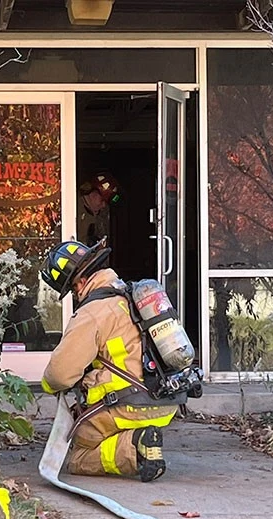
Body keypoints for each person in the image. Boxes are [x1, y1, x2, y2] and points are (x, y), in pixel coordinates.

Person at [38, 239, 178, 483]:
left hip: (130, 405)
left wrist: (48, 385)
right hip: (166, 401)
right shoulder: (131, 296)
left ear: (81, 282)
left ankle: (135, 446)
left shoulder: (93, 312)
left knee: (78, 456)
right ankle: (138, 437)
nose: (76, 295)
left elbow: (61, 374)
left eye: (73, 289)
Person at [77, 171, 120, 247]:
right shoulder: (72, 207)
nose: (103, 205)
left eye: (106, 203)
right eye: (102, 200)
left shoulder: (101, 215)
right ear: (92, 193)